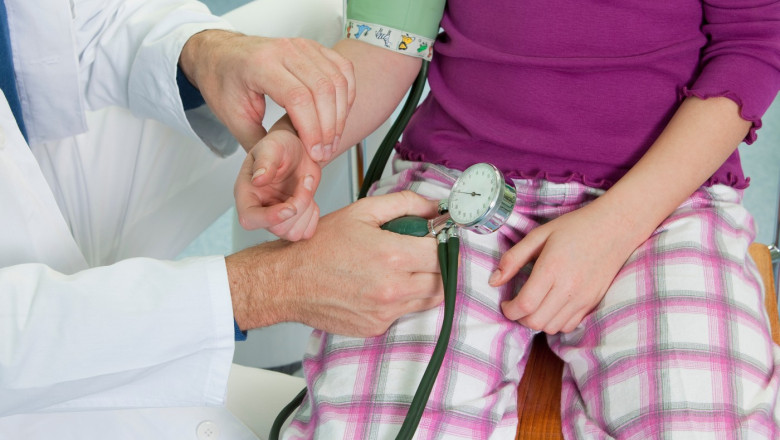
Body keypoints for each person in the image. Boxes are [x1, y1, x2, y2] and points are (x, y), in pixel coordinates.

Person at [242, 0, 780, 438]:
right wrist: (302, 139)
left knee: (702, 423)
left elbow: (753, 43)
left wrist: (618, 226)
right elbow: (386, 42)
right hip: (460, 183)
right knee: (376, 426)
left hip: (663, 195)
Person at [0, 0, 443, 438]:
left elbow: (75, 26)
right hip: (21, 357)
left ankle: (272, 351)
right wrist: (265, 288)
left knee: (317, 51)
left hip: (31, 175)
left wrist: (205, 53)